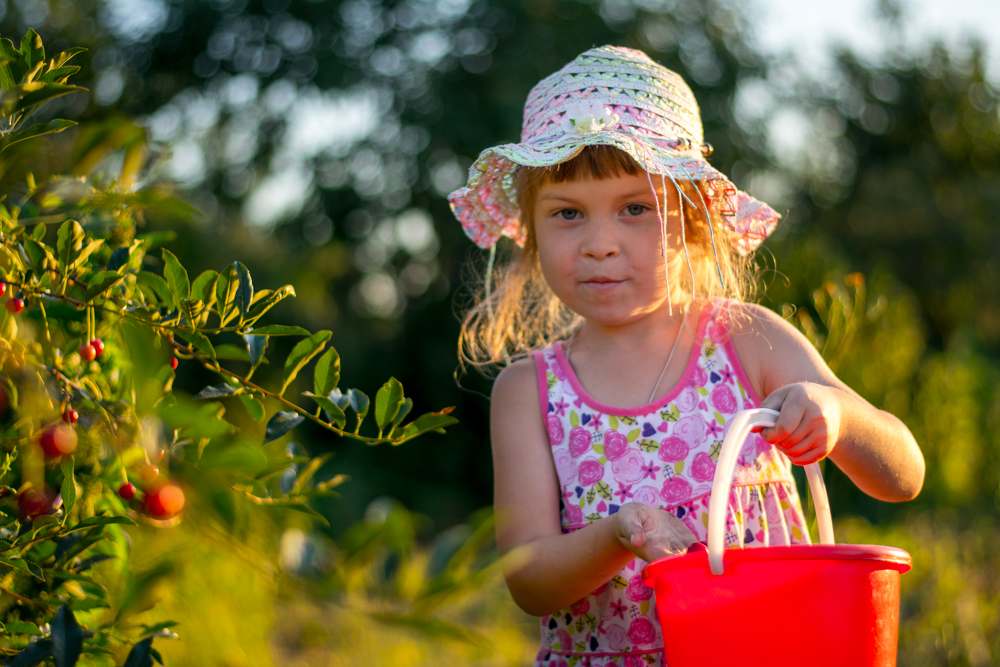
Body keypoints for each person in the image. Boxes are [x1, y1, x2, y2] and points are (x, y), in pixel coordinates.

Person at [448, 46, 925, 666]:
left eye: (636, 209)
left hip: (769, 650)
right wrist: (620, 534)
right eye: (568, 213)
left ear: (693, 222)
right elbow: (530, 579)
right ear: (533, 235)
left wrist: (836, 414)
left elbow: (903, 476)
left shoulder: (746, 340)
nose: (600, 244)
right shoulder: (530, 390)